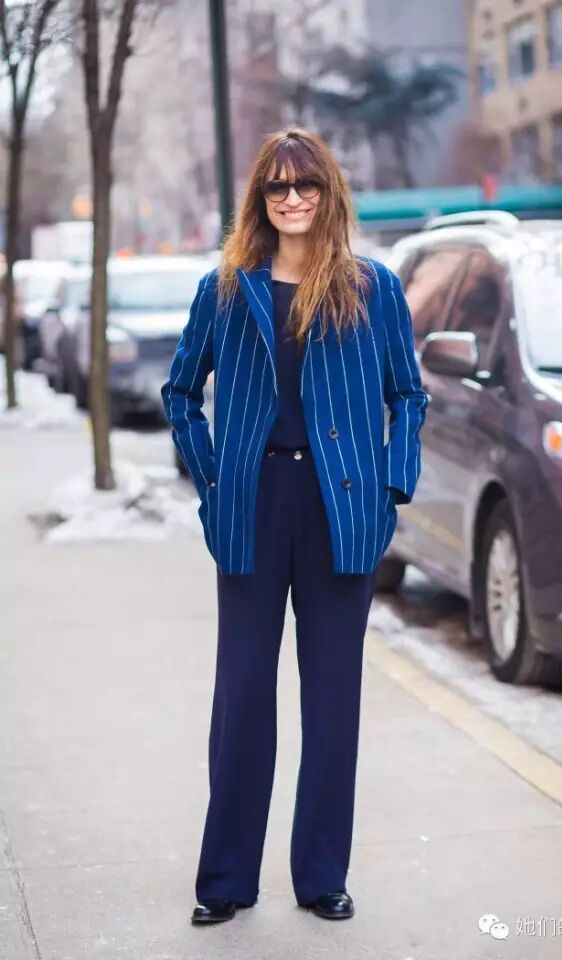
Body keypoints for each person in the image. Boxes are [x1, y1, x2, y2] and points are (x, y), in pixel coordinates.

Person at [160, 126, 429, 926]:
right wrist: (214, 479)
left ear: (328, 191)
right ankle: (226, 881)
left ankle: (322, 877)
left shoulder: (373, 288)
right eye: (277, 186)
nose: (292, 198)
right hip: (252, 505)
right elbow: (180, 393)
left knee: (333, 702)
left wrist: (392, 484)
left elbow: (408, 395)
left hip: (342, 509)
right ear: (260, 199)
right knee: (243, 696)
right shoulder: (225, 289)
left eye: (305, 183)